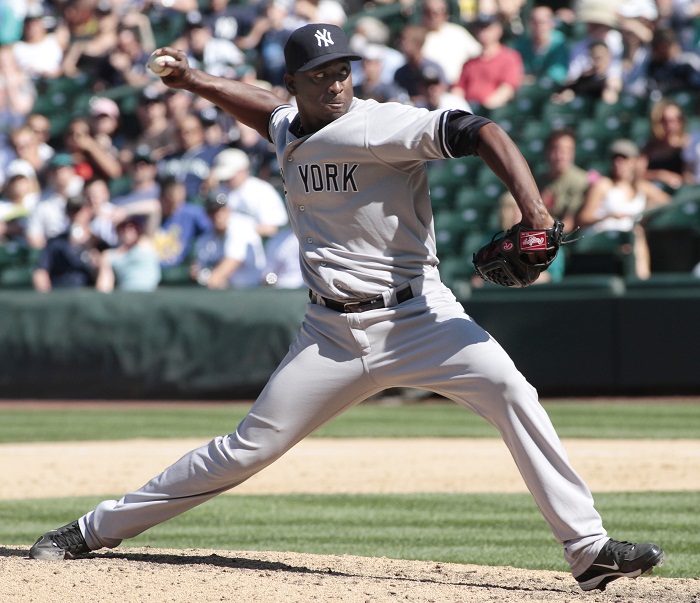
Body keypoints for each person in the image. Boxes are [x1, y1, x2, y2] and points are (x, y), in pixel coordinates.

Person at [29, 23, 665, 594]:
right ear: (296, 84)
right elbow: (263, 110)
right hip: (328, 333)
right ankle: (90, 529)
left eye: (342, 71)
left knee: (513, 393)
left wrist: (537, 214)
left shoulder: (379, 123)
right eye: (320, 75)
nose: (335, 84)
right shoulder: (289, 125)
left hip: (420, 320)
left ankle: (588, 551)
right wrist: (191, 78)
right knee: (245, 450)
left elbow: (480, 130)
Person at [575, 139, 671, 279]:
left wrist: (647, 212)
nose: (618, 163)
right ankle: (640, 281)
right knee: (635, 236)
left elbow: (667, 202)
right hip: (603, 235)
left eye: (624, 159)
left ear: (634, 161)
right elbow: (583, 218)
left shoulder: (641, 186)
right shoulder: (603, 185)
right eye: (615, 158)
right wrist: (609, 216)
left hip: (629, 238)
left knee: (637, 234)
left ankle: (642, 281)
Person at [189, 193, 266, 288]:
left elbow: (232, 261)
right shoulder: (206, 237)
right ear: (207, 214)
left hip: (250, 289)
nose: (217, 215)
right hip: (226, 291)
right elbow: (198, 265)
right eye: (213, 211)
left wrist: (213, 278)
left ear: (228, 211)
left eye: (221, 210)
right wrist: (196, 273)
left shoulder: (241, 227)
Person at [208, 147, 289, 238]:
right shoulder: (220, 190)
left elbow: (273, 229)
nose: (227, 180)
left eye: (231, 176)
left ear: (244, 170)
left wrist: (239, 230)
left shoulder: (261, 190)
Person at [451, 14, 524, 111]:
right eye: (480, 28)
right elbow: (458, 89)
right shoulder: (470, 62)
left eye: (487, 28)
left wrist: (484, 108)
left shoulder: (509, 57)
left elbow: (507, 89)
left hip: (493, 113)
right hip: (469, 111)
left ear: (498, 30)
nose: (483, 32)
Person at [32, 195, 100, 292]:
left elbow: (103, 273)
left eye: (80, 210)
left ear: (88, 212)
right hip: (61, 292)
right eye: (72, 211)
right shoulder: (56, 242)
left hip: (88, 292)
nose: (76, 215)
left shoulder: (97, 241)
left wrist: (89, 247)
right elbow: (41, 272)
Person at [152, 176, 213, 268]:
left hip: (180, 267)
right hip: (154, 268)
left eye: (179, 202)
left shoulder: (192, 213)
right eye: (171, 202)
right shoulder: (152, 214)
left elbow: (211, 231)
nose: (176, 207)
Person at [95, 215, 161, 292]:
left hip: (150, 294)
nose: (128, 230)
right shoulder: (109, 255)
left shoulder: (146, 243)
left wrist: (124, 211)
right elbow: (104, 286)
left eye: (133, 226)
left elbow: (153, 209)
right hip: (126, 295)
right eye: (123, 226)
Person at [512, 5, 569, 87]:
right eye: (534, 22)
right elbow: (516, 71)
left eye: (542, 22)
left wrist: (533, 79)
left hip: (550, 89)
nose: (539, 26)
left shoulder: (559, 43)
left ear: (551, 23)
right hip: (526, 87)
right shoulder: (523, 43)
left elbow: (557, 75)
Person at [640, 99, 690, 192]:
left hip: (681, 192)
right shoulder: (650, 148)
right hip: (656, 190)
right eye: (665, 121)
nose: (671, 125)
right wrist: (660, 175)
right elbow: (638, 173)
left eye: (676, 119)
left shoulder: (688, 143)